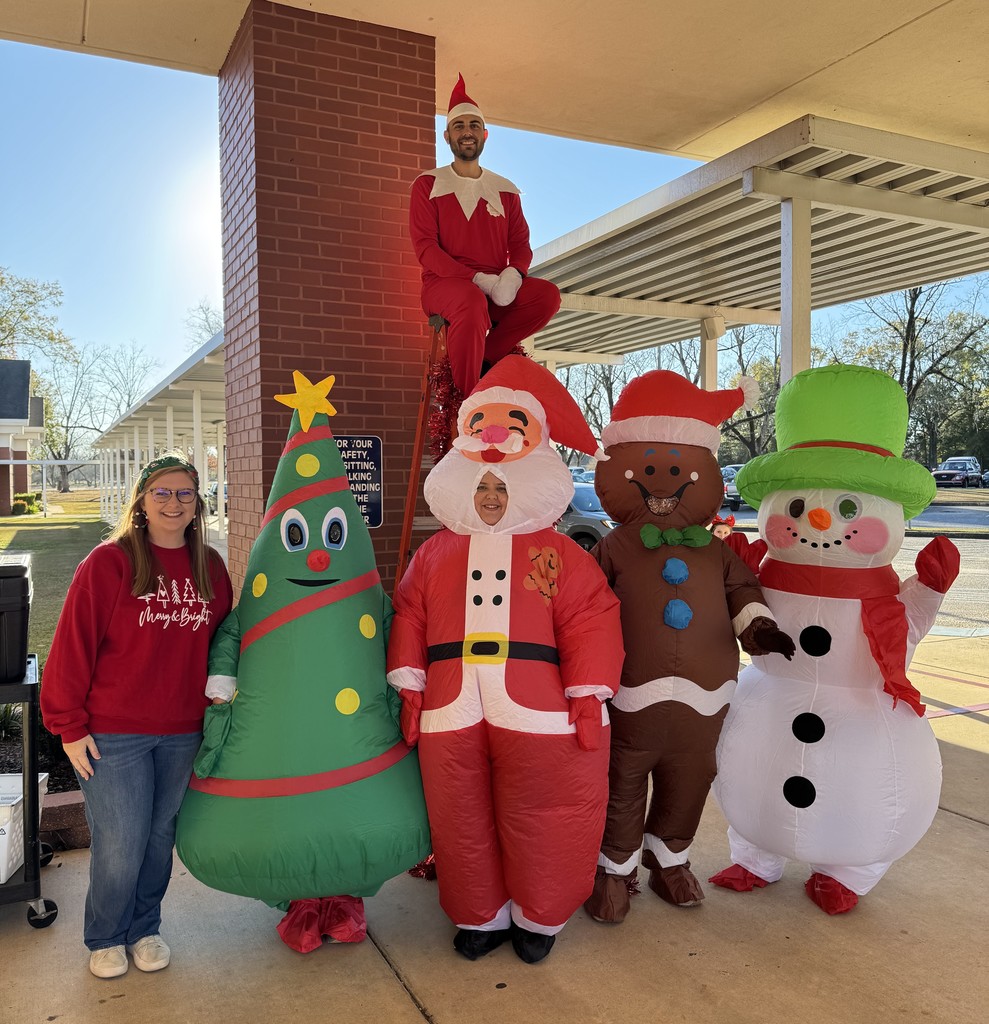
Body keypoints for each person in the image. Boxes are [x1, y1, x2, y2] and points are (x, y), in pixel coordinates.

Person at [387, 356, 623, 965]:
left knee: (546, 812)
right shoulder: (434, 554)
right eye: (482, 488)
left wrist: (588, 692)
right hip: (451, 705)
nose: (491, 498)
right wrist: (410, 683)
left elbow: (590, 618)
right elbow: (410, 614)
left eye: (502, 488)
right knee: (459, 815)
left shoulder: (562, 554)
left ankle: (539, 915)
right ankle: (480, 915)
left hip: (540, 708)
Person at [41, 452, 232, 979]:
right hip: (114, 733)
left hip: (183, 731)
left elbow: (221, 646)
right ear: (142, 501)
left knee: (158, 838)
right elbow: (72, 645)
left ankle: (145, 927)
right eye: (161, 492)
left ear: (197, 503)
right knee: (120, 842)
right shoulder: (110, 562)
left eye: (185, 493)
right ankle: (106, 935)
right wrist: (68, 726)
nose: (173, 503)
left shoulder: (210, 567)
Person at [409, 74, 561, 396]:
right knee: (471, 300)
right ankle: (469, 400)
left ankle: (485, 360)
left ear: (485, 135)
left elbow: (520, 244)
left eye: (474, 125)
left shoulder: (505, 190)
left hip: (496, 289)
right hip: (445, 286)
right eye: (459, 126)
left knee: (546, 295)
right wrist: (476, 279)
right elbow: (426, 249)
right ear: (447, 136)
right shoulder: (427, 185)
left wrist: (513, 274)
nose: (467, 132)